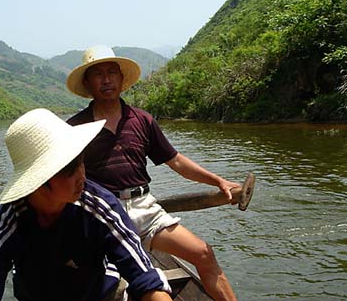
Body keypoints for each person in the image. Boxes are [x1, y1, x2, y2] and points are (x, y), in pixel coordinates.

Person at [66, 45, 240, 301]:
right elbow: (63, 179)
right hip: (101, 214)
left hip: (145, 209)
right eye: (98, 74)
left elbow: (176, 161)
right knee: (104, 286)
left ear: (121, 79)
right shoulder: (75, 128)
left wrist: (218, 181)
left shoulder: (142, 120)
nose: (106, 80)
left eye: (112, 73)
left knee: (203, 253)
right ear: (88, 83)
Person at [0, 108, 172, 301]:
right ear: (39, 182)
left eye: (81, 162)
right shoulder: (10, 222)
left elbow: (144, 276)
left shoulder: (98, 206)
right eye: (70, 169)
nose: (82, 175)